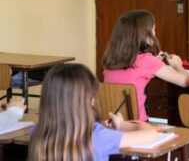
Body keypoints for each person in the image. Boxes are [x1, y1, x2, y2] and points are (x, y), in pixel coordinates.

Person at [28, 63, 158, 161]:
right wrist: (123, 125)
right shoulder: (98, 136)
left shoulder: (36, 133)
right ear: (90, 100)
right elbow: (151, 134)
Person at [103, 9, 189, 121]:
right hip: (138, 126)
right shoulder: (146, 61)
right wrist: (178, 65)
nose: (154, 34)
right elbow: (185, 82)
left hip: (113, 124)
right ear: (144, 34)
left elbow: (133, 74)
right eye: (153, 29)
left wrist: (154, 63)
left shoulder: (110, 62)